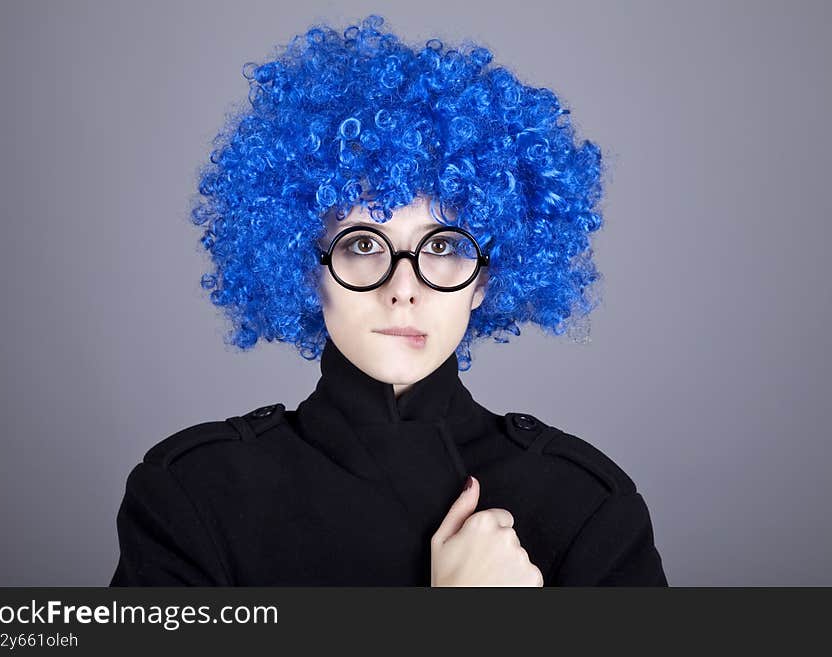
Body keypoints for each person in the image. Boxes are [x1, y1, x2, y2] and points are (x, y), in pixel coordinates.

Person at [109, 14, 668, 586]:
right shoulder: (196, 494)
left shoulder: (585, 505)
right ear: (308, 268)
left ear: (482, 280)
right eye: (363, 244)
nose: (404, 289)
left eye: (445, 245)